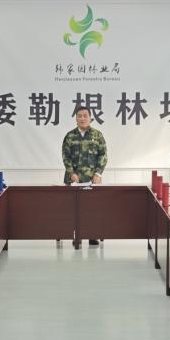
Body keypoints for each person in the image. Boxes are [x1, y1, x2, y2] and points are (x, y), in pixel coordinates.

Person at [62, 105, 108, 248]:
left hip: (92, 179)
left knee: (92, 208)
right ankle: (77, 236)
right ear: (76, 118)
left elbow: (103, 155)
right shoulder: (70, 136)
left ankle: (92, 235)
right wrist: (71, 173)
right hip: (73, 179)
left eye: (85, 116)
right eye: (79, 116)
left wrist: (98, 173)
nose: (82, 118)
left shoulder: (97, 135)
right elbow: (65, 156)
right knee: (74, 209)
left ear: (90, 118)